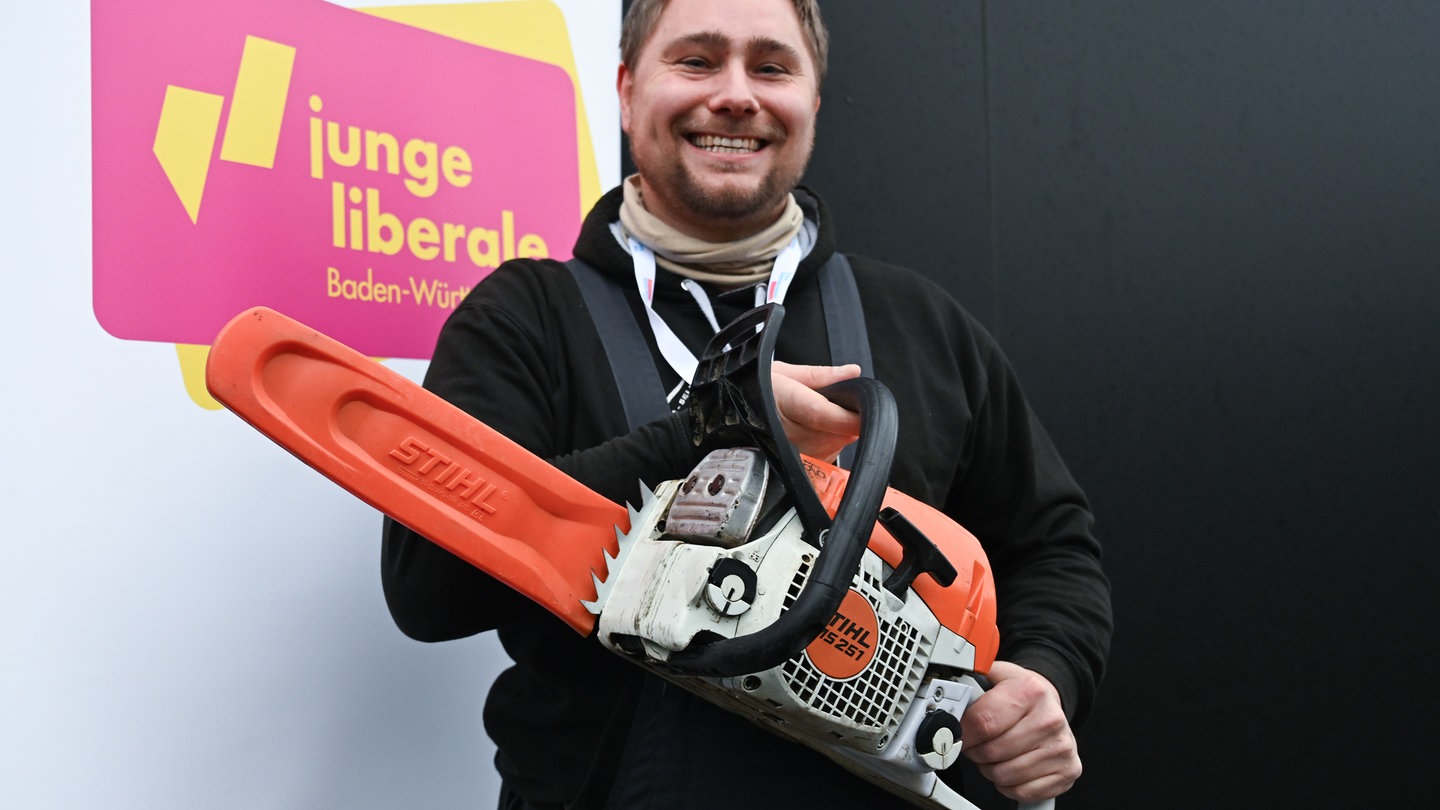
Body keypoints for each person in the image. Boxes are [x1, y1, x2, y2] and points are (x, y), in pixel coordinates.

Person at [381, 0, 1112, 807]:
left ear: (813, 100)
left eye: (771, 66)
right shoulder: (524, 319)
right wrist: (701, 437)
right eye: (696, 61)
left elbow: (1053, 546)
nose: (735, 94)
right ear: (626, 91)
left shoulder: (923, 323)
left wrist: (1044, 677)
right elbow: (427, 587)